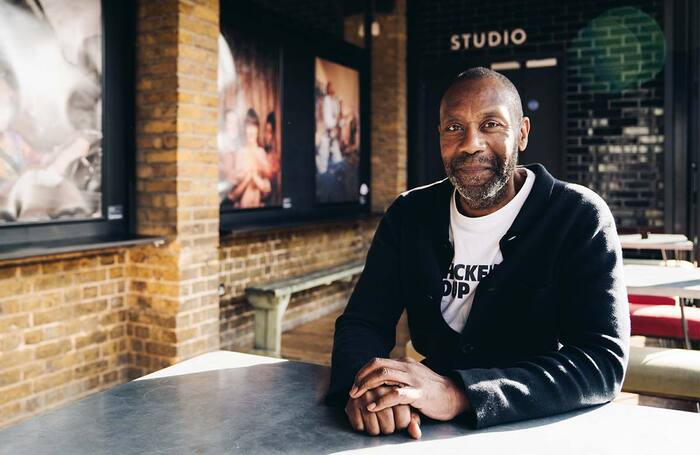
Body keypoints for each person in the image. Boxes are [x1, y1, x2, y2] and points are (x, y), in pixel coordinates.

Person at [326, 67, 630, 439]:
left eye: (491, 125)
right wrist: (367, 387)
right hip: (428, 424)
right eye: (454, 127)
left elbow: (601, 362)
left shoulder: (578, 216)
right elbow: (364, 322)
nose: (471, 143)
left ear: (522, 133)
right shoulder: (409, 214)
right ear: (440, 136)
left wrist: (459, 393)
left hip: (539, 423)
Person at [226, 108, 271, 209]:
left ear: (258, 129)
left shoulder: (261, 153)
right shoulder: (240, 153)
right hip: (242, 208)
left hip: (258, 208)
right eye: (248, 126)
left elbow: (267, 190)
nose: (251, 131)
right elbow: (233, 193)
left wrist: (254, 177)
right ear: (245, 129)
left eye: (254, 126)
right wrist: (247, 179)